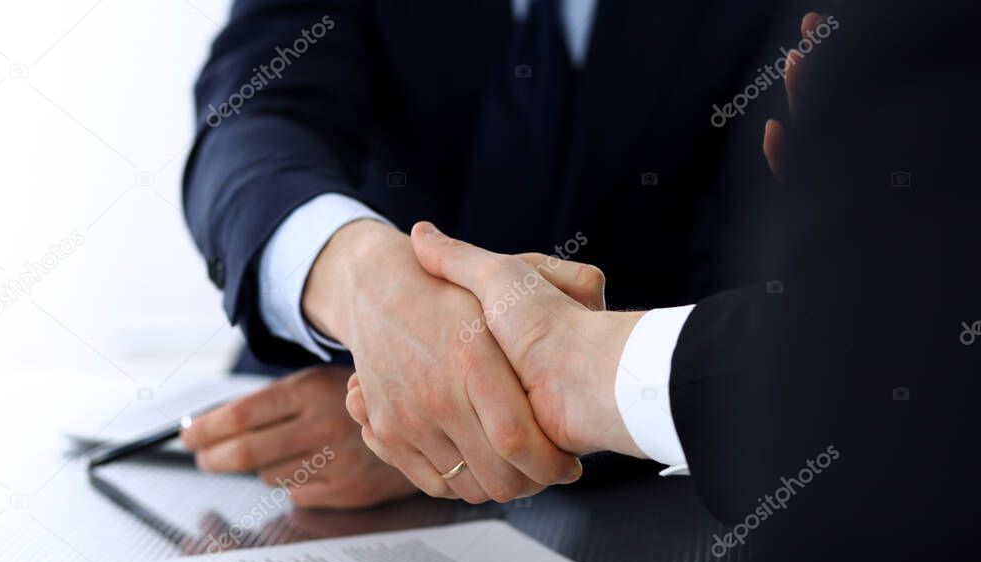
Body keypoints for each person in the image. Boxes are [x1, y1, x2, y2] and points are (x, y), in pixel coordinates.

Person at [350, 1, 981, 562]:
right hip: (333, 442)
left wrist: (559, 375)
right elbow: (253, 123)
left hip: (666, 514)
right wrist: (366, 291)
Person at [181, 0, 787, 507]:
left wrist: (454, 421)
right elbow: (248, 121)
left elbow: (778, 279)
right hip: (320, 435)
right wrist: (362, 280)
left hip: (659, 494)